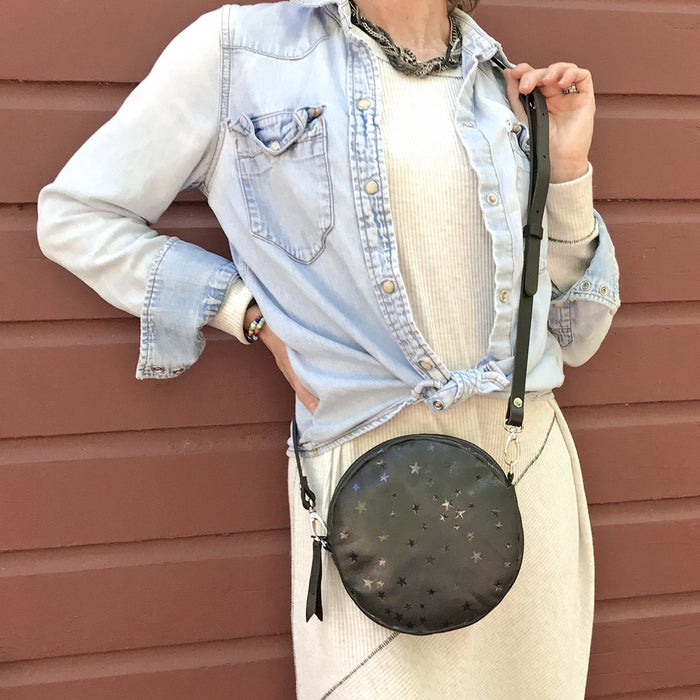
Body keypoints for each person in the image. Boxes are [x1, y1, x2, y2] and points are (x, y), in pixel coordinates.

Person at [37, 0, 620, 697]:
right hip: (365, 493)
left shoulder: (503, 88)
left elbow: (576, 332)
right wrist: (246, 314)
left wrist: (567, 169)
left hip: (527, 476)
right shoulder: (240, 53)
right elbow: (76, 215)